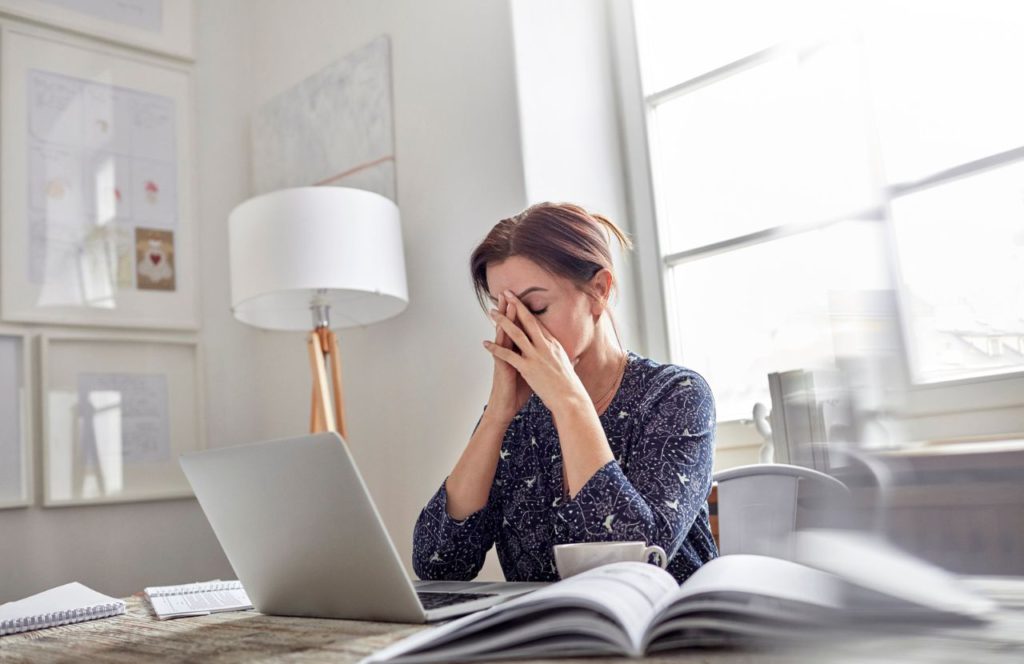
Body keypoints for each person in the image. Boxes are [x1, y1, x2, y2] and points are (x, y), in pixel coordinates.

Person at [412, 202, 718, 583]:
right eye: (504, 312)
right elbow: (437, 564)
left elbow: (633, 561)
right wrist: (496, 417)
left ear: (599, 290)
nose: (518, 330)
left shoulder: (677, 396)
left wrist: (569, 402)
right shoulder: (517, 417)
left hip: (664, 633)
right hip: (546, 636)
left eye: (535, 308)